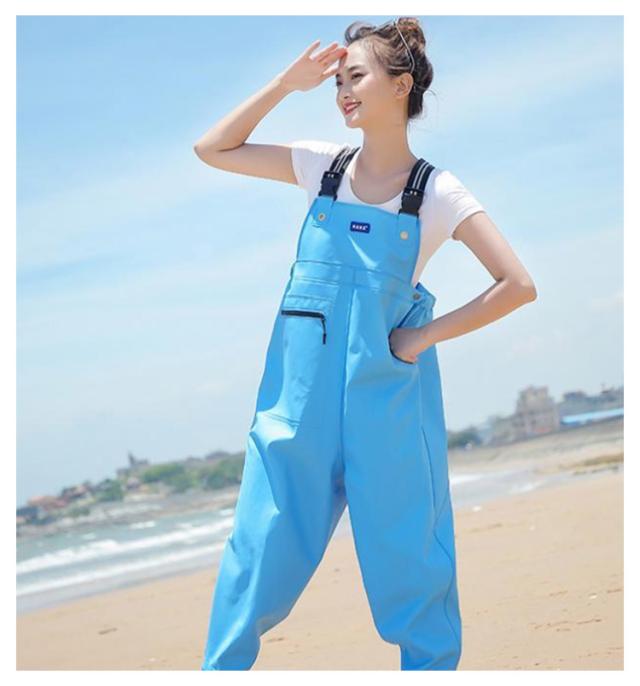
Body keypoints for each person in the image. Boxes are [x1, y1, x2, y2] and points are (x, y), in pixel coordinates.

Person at [193, 17, 537, 671]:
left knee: (411, 565)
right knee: (255, 552)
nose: (342, 91)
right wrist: (284, 85)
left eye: (356, 77)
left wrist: (421, 338)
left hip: (388, 403)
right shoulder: (321, 167)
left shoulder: (436, 192)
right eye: (337, 81)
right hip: (296, 406)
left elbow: (516, 285)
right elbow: (213, 148)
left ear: (401, 85)